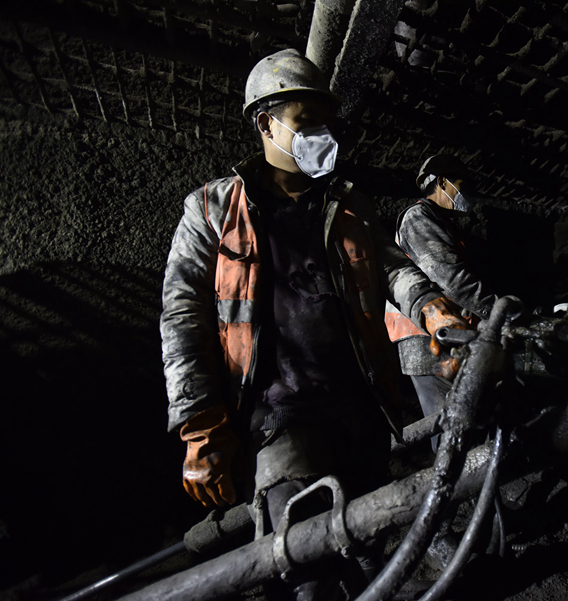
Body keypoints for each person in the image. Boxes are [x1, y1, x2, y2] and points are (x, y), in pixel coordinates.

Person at [160, 49, 468, 600]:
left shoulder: (347, 204)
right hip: (278, 420)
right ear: (265, 124)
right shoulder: (212, 209)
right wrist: (199, 425)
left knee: (369, 547)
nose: (321, 135)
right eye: (305, 122)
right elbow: (182, 317)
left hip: (359, 408)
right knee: (307, 568)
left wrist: (428, 304)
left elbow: (391, 267)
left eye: (325, 123)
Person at [384, 154, 498, 451]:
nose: (468, 192)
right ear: (443, 182)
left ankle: (475, 477)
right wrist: (497, 311)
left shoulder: (442, 223)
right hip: (426, 335)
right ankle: (452, 478)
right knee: (451, 429)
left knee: (466, 419)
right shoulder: (418, 218)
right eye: (463, 184)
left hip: (446, 332)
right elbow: (453, 280)